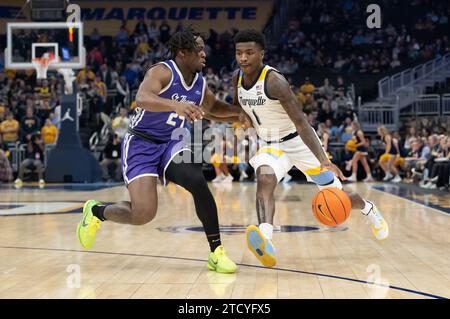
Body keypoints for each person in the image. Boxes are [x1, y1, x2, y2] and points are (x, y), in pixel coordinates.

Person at [77, 28, 243, 274]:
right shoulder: (162, 71)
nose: (204, 53)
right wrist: (175, 105)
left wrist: (239, 115)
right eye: (198, 49)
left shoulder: (199, 82)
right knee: (143, 214)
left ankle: (216, 252)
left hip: (171, 143)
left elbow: (212, 108)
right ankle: (97, 211)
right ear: (182, 53)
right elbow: (142, 98)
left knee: (196, 180)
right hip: (141, 144)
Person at [231, 30, 389, 268]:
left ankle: (368, 208)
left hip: (299, 141)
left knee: (338, 195)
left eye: (249, 53)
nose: (243, 58)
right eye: (239, 53)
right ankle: (266, 238)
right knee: (264, 180)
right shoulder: (237, 78)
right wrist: (243, 117)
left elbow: (302, 123)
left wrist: (323, 159)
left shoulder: (275, 82)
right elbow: (239, 105)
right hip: (270, 143)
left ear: (261, 54)